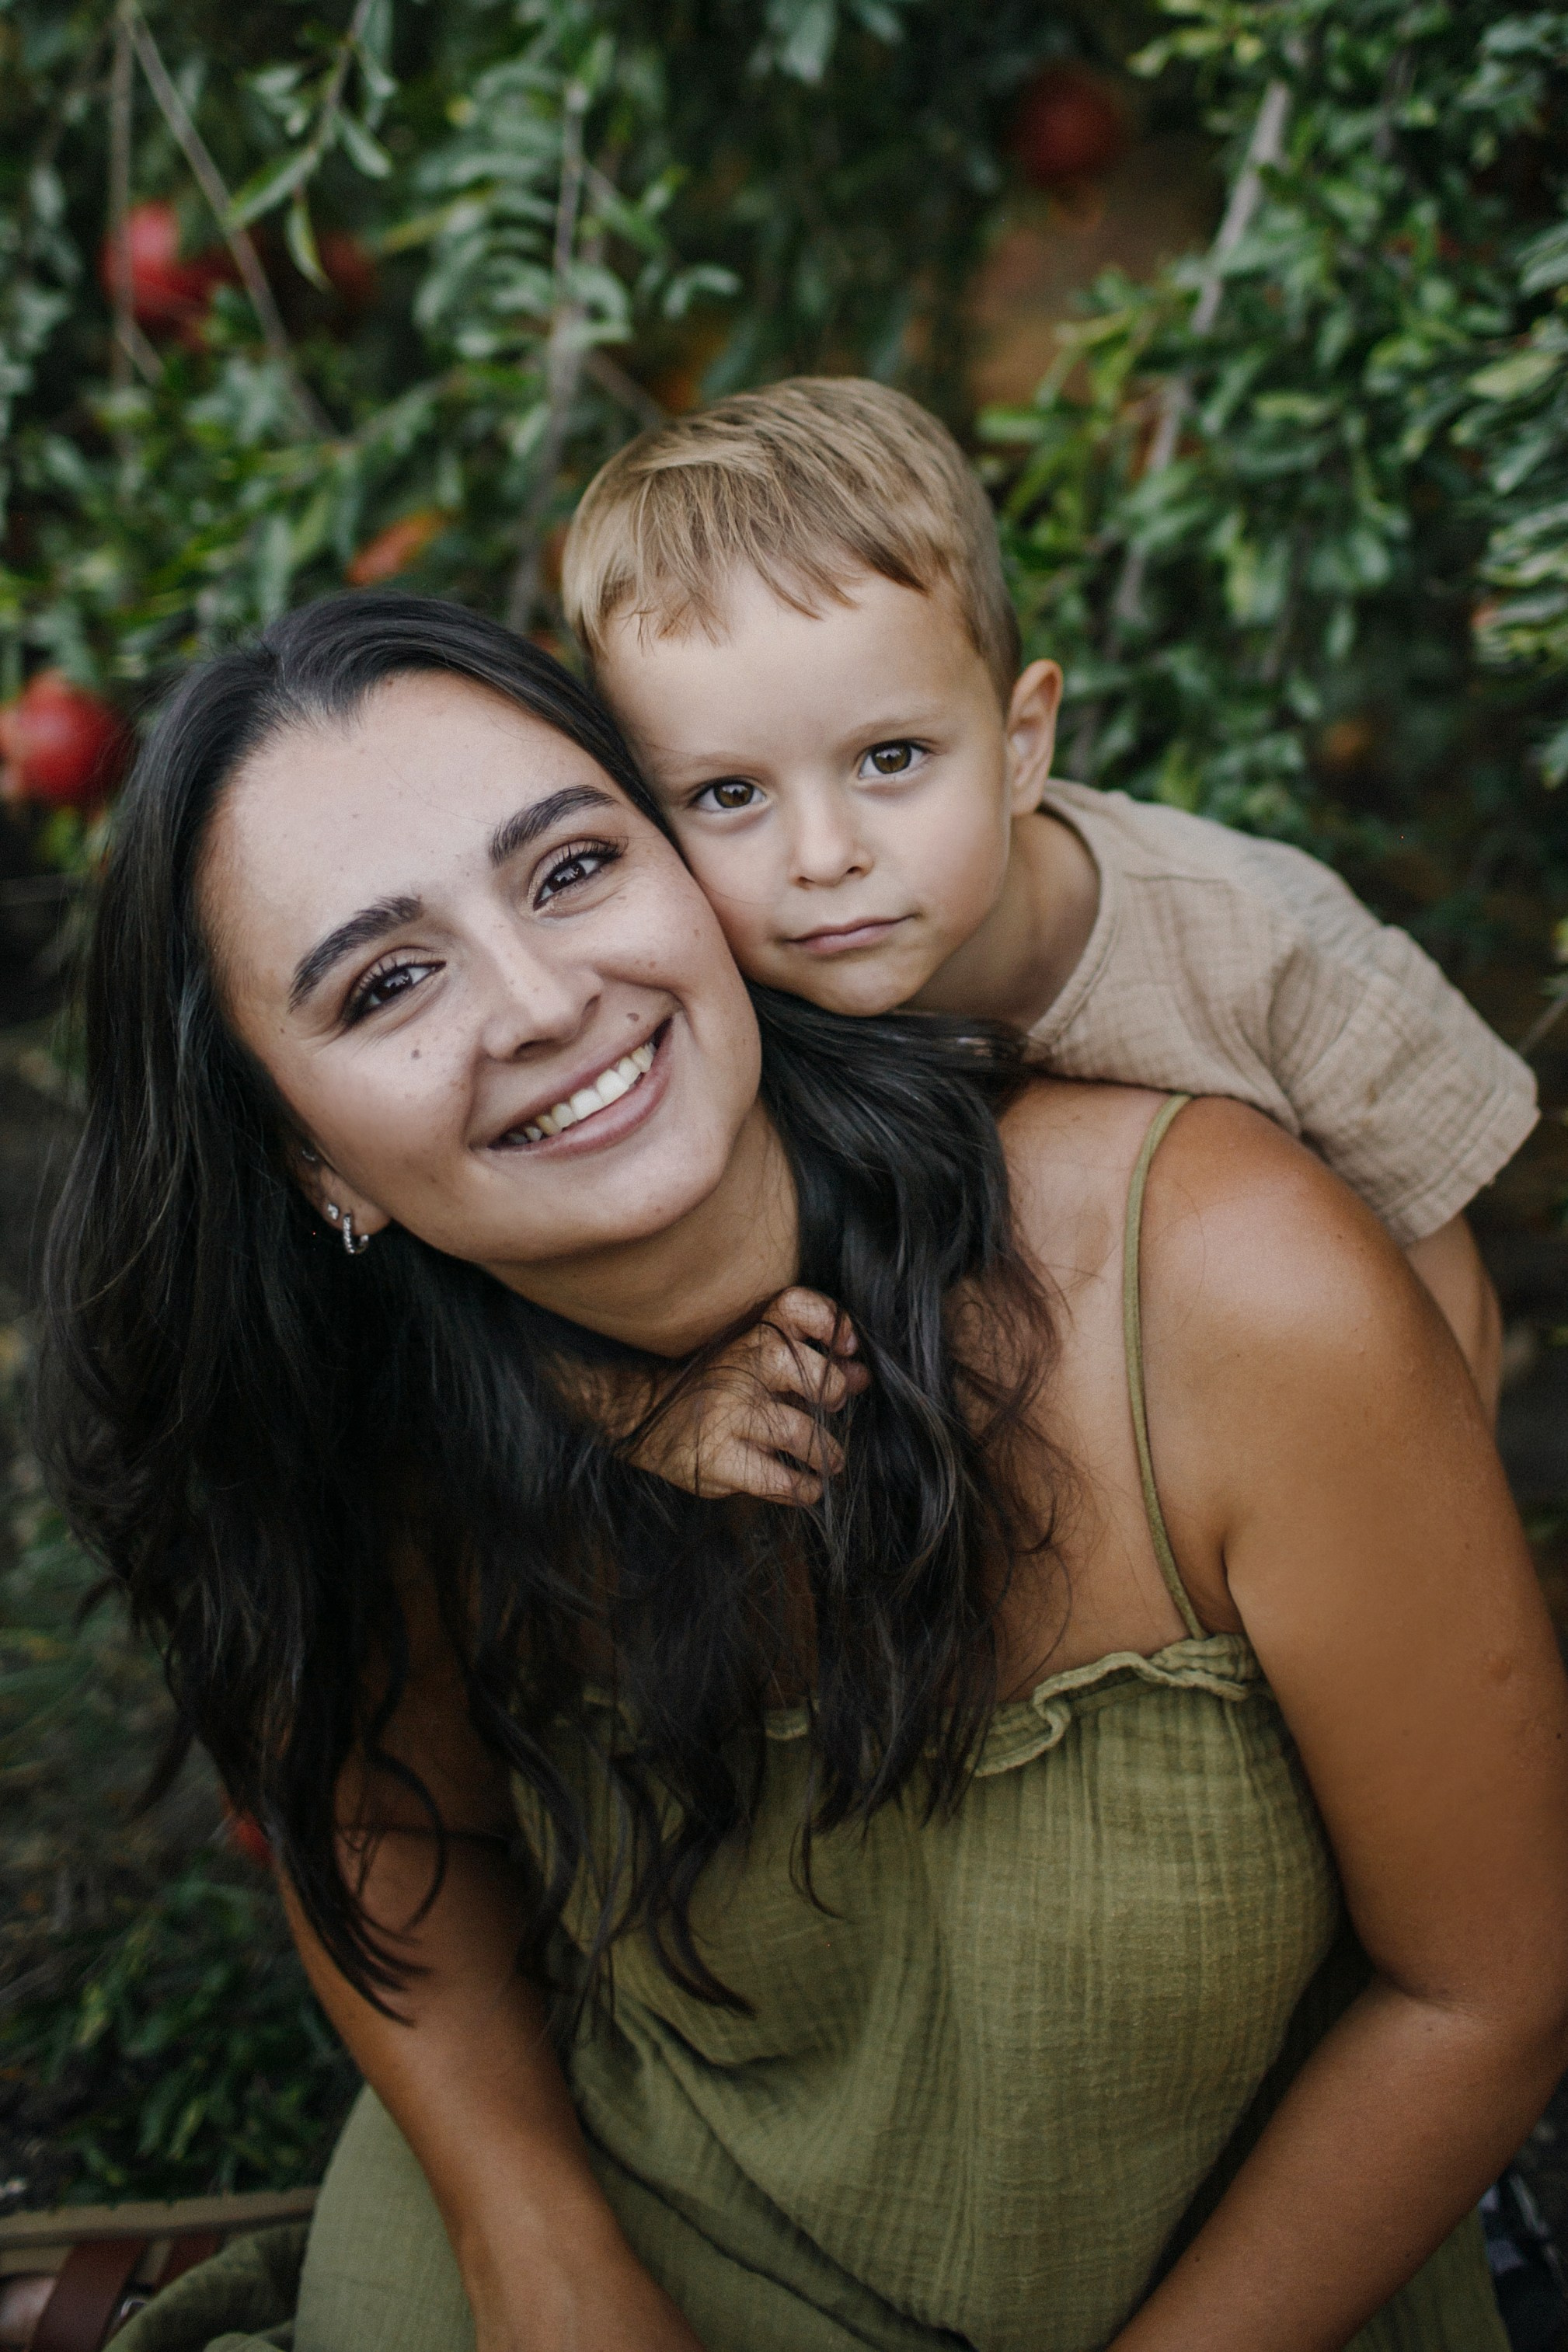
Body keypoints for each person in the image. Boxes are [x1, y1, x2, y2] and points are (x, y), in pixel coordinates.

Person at [47, 594, 1568, 2352]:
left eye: (570, 869)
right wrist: (530, 2234)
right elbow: (386, 1815)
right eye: (387, 982)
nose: (541, 1001)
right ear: (312, 1161)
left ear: (698, 874)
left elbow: (1489, 1983)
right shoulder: (395, 1407)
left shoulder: (1215, 1284)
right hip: (608, 2233)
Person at [556, 377, 1534, 1507]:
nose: (821, 857)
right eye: (729, 793)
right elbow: (517, 1275)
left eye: (889, 759)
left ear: (1021, 743)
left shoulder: (1257, 942)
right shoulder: (696, 999)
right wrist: (642, 1406)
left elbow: (1437, 1276)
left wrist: (1420, 1537)